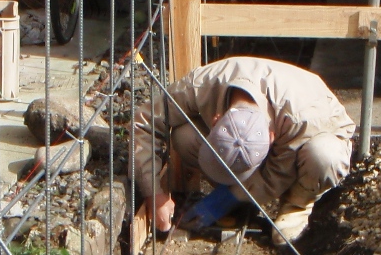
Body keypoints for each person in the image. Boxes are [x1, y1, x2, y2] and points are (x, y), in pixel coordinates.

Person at [132, 55, 355, 244]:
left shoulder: (302, 119)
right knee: (183, 136)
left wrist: (226, 198)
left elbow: (277, 174)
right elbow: (144, 121)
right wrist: (153, 192)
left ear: (271, 137)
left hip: (315, 135)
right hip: (276, 120)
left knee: (324, 156)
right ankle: (234, 184)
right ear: (216, 119)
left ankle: (297, 205)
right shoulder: (203, 86)